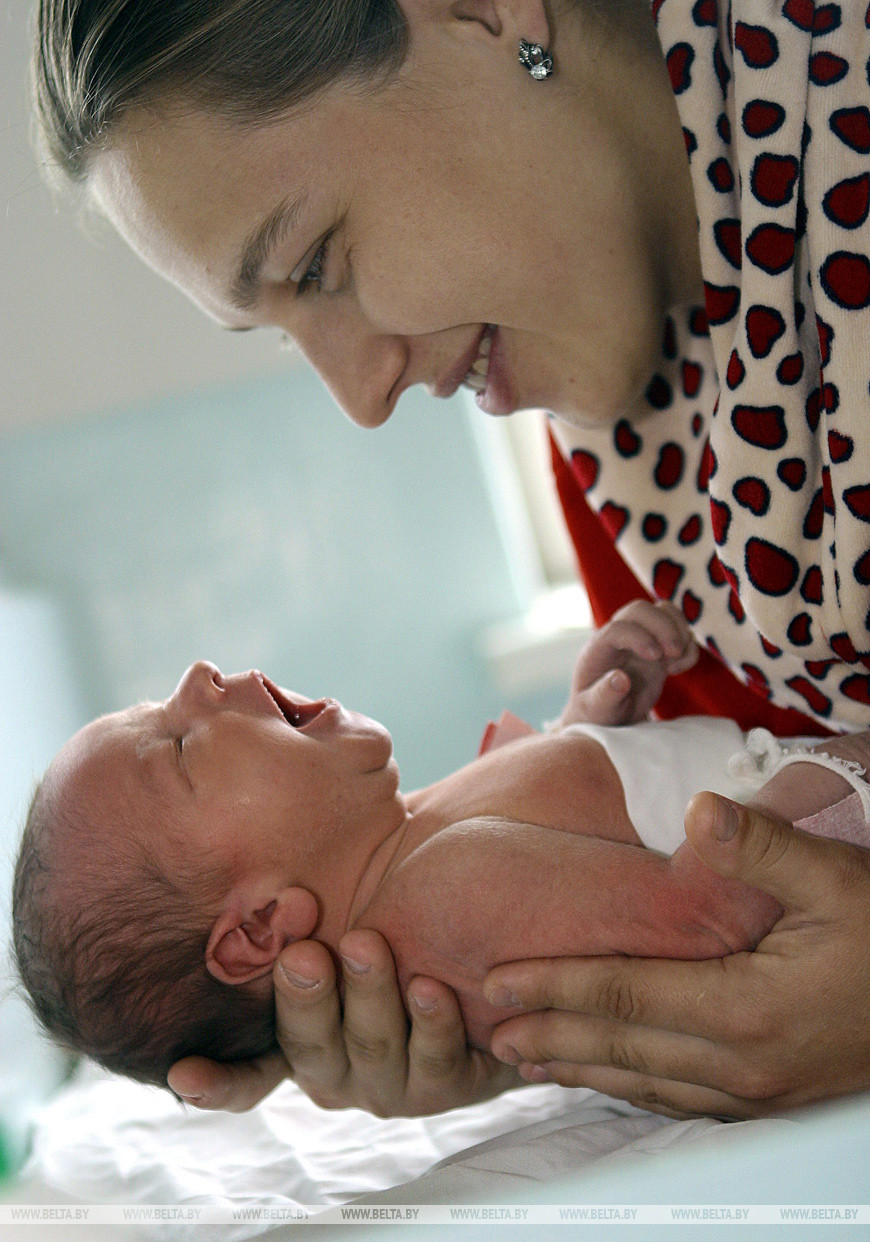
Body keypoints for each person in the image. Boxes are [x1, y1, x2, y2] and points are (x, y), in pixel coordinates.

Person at [31, 0, 870, 1117]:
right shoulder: (630, 453)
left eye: (317, 261)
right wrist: (506, 1015)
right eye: (283, 328)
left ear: (485, 10)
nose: (362, 398)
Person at [12, 602, 869, 1090]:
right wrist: (822, 780)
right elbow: (706, 929)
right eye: (178, 745)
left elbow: (577, 841)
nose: (196, 679)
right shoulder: (447, 896)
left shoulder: (418, 849)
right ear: (259, 927)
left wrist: (590, 731)